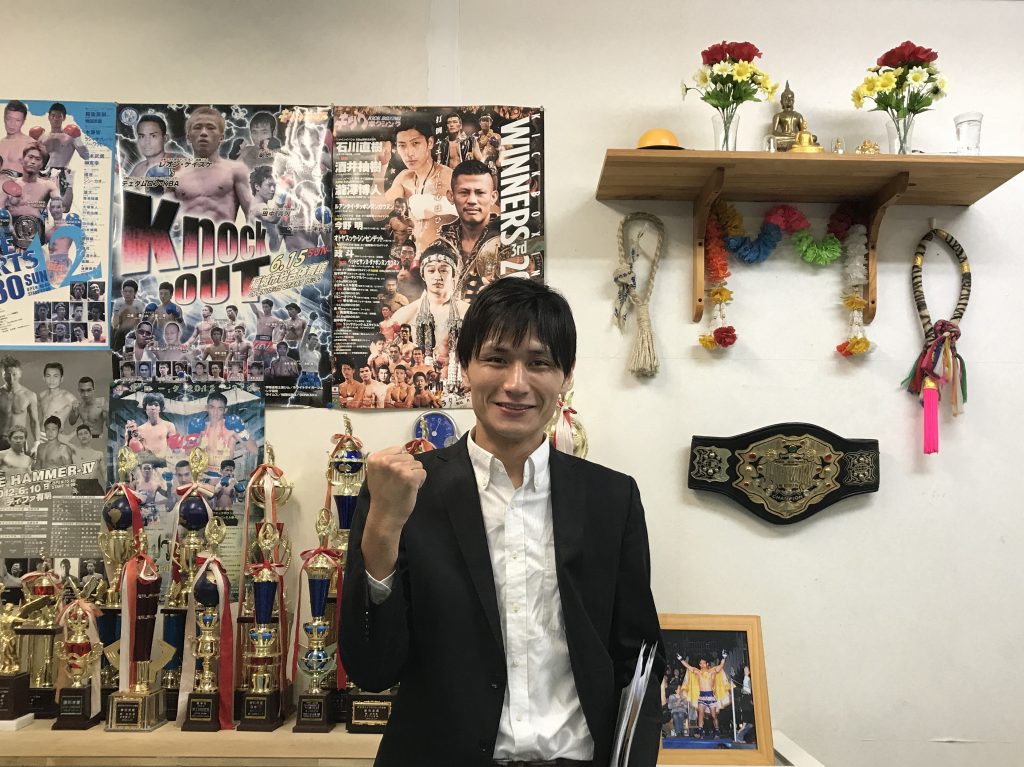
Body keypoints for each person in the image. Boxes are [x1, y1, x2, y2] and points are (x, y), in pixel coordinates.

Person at [340, 277, 664, 765]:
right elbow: (371, 669)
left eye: (539, 363)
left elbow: (639, 659)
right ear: (464, 365)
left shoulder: (611, 499)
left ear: (566, 375)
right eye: (496, 359)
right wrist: (383, 526)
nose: (516, 383)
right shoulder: (405, 490)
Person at [371, 115, 455, 255]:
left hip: (443, 260)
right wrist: (381, 170)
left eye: (415, 143)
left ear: (430, 143)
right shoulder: (405, 178)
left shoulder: (450, 177)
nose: (409, 153)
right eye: (402, 145)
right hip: (413, 257)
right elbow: (378, 213)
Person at [390, 240, 469, 367]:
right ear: (423, 274)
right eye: (431, 271)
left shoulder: (468, 312)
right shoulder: (405, 314)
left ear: (453, 274)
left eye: (443, 270)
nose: (437, 276)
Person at [174, 106, 253, 221]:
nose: (203, 133)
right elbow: (164, 221)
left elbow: (251, 214)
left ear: (221, 137)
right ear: (188, 137)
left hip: (222, 232)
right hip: (187, 232)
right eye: (197, 127)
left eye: (210, 127)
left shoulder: (235, 170)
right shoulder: (177, 175)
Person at [441, 159, 504, 299]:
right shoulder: (440, 245)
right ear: (451, 196)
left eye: (480, 193)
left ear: (493, 197)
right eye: (464, 192)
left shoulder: (510, 239)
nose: (472, 200)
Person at [40, 102, 89, 208]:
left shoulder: (69, 137)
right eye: (53, 116)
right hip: (44, 173)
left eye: (59, 116)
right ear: (49, 117)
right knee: (40, 207)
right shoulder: (42, 137)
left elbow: (85, 156)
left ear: (64, 118)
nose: (56, 119)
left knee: (64, 207)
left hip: (62, 174)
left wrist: (77, 138)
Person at [680, 655, 728, 738]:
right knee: (700, 715)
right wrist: (680, 659)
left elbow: (720, 667)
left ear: (707, 664)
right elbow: (688, 666)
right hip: (702, 696)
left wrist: (723, 658)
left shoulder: (712, 671)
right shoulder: (698, 672)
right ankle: (700, 732)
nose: (702, 665)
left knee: (713, 716)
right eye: (701, 663)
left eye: (704, 663)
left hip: (710, 696)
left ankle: (717, 731)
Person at [0, 356, 41, 449]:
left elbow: (34, 422)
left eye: (14, 374)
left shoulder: (29, 395)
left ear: (20, 374)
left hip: (19, 442)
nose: (11, 378)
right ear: (2, 374)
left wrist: (37, 444)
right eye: (7, 374)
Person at [247, 165, 283, 252]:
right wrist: (282, 196)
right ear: (257, 186)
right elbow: (272, 217)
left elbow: (275, 247)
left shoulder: (263, 209)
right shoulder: (258, 207)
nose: (273, 189)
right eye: (269, 185)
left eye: (274, 185)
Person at [38, 362, 79, 432]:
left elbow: (72, 422)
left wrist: (75, 411)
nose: (51, 380)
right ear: (44, 378)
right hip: (40, 435)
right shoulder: (41, 395)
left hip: (57, 436)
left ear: (61, 379)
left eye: (55, 376)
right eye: (48, 376)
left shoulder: (69, 397)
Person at [136, 392, 177, 461]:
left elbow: (175, 449)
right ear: (145, 407)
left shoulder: (169, 426)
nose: (153, 408)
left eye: (156, 405)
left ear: (160, 408)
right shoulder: (139, 429)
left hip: (163, 464)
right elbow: (138, 451)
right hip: (146, 464)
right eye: (150, 404)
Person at [72, 424, 106, 495]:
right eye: (80, 434)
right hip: (79, 487)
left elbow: (104, 474)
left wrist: (111, 489)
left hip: (95, 487)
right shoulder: (73, 454)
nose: (83, 436)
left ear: (90, 435)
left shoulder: (99, 454)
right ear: (77, 437)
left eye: (86, 433)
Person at [0, 100, 33, 173]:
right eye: (9, 119)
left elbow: (41, 175)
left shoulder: (30, 144)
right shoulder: (1, 143)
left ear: (23, 121)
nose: (12, 124)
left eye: (17, 120)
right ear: (4, 118)